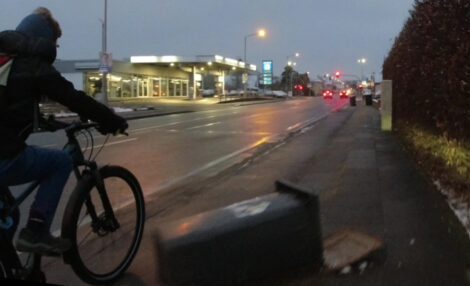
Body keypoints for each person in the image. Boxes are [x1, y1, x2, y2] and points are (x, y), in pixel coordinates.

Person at [0, 7, 128, 256]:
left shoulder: (5, 61)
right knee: (59, 161)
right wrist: (111, 120)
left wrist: (44, 121)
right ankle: (36, 232)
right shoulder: (33, 65)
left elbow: (9, 107)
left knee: (9, 214)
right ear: (44, 40)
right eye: (55, 42)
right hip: (3, 157)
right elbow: (72, 97)